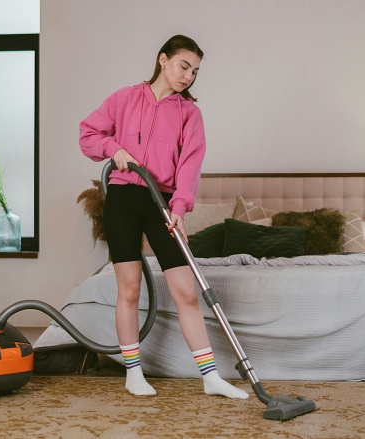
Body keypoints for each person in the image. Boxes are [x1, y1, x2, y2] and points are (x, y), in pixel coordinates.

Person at [79, 35, 248, 400]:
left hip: (163, 203)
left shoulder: (190, 113)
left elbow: (190, 166)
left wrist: (179, 209)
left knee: (186, 292)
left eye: (196, 71)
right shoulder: (124, 98)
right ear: (162, 60)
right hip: (123, 198)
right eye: (184, 66)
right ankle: (133, 374)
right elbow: (88, 134)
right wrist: (114, 148)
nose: (189, 76)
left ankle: (210, 377)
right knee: (129, 289)